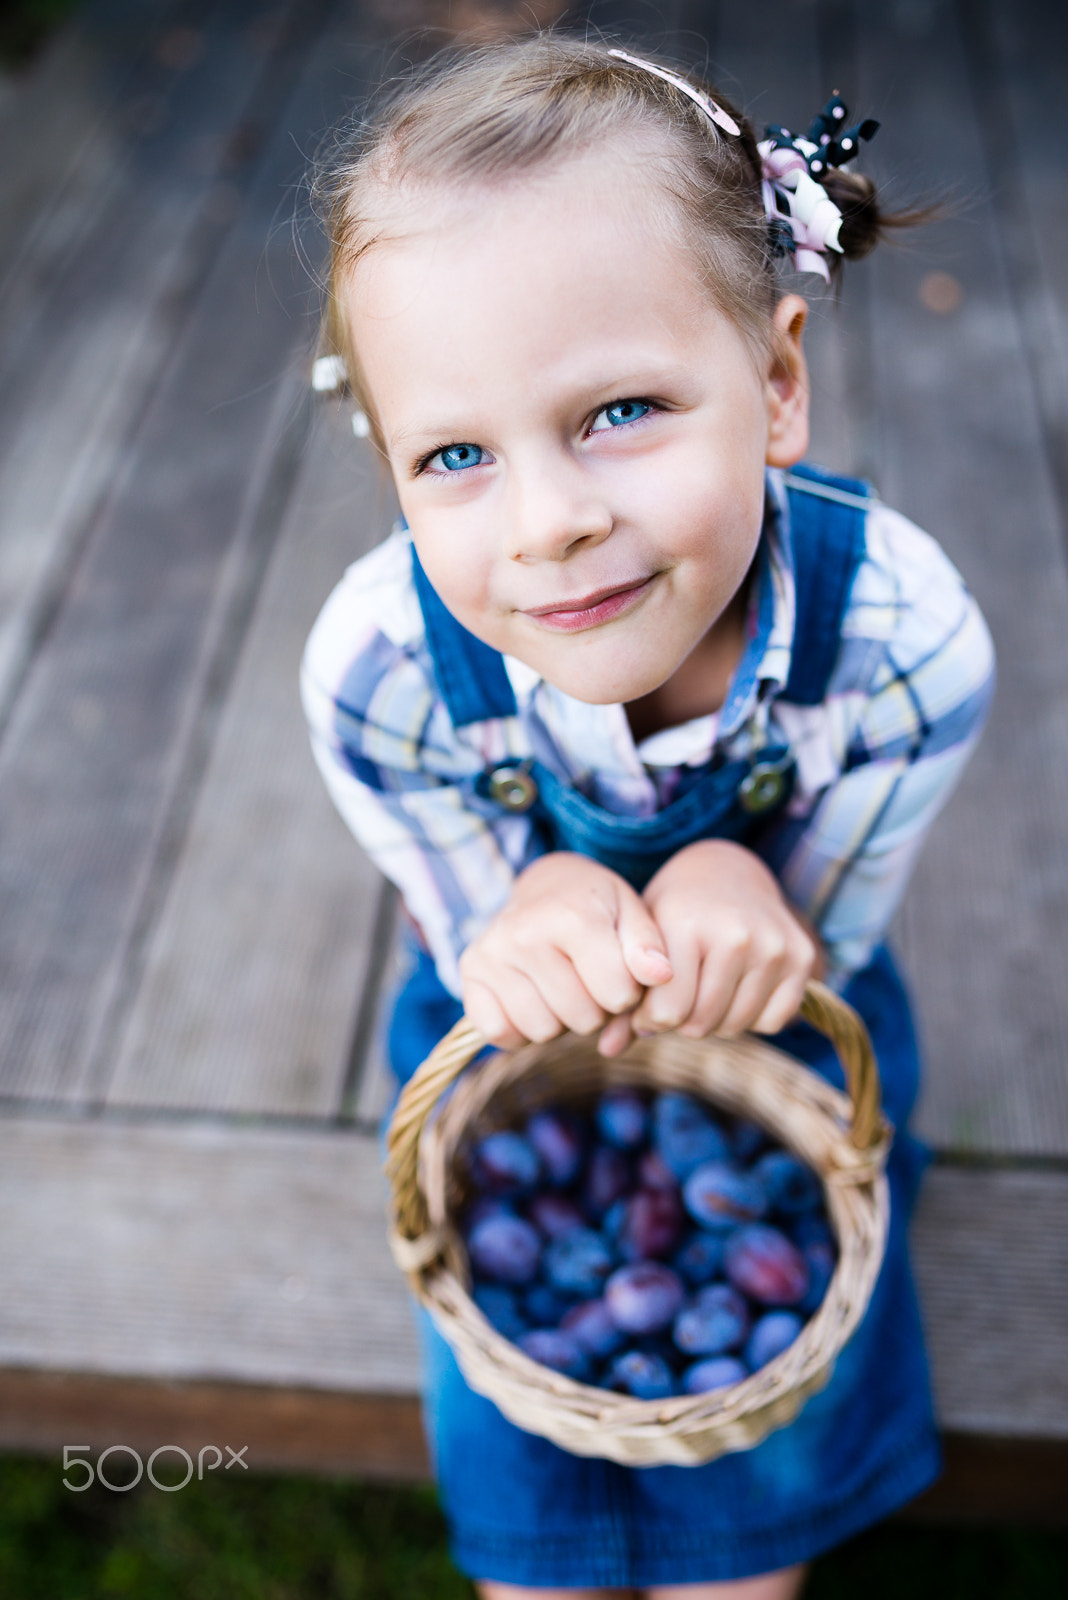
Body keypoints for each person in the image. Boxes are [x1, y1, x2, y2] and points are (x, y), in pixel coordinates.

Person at [300, 35, 994, 1599]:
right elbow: (468, 926)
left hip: (779, 1001)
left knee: (758, 1449)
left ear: (776, 383)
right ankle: (540, 1549)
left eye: (619, 410)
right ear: (395, 470)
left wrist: (752, 881)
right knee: (515, 1380)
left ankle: (746, 1553)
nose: (552, 520)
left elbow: (831, 938)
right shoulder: (379, 670)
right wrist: (517, 911)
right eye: (458, 456)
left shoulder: (903, 643)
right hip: (504, 1019)